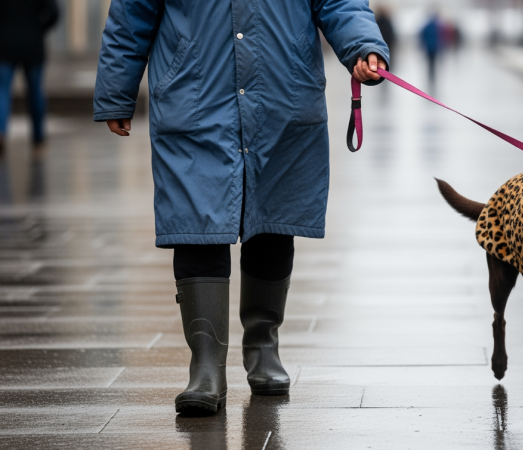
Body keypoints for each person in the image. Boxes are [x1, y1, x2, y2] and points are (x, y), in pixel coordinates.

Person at [94, 0, 389, 416]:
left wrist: (362, 46)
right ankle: (206, 366)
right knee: (197, 222)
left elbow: (339, 2)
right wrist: (116, 91)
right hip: (194, 94)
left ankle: (263, 346)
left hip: (282, 94)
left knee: (272, 219)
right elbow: (131, 13)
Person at [0, 0, 59, 154]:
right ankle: (38, 139)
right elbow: (54, 13)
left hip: (5, 44)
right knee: (35, 92)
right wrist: (38, 29)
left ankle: (1, 132)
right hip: (33, 44)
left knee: (2, 91)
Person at [420, 13, 442, 83]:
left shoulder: (426, 26)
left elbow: (422, 35)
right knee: (433, 61)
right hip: (435, 47)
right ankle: (433, 73)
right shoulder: (437, 26)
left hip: (428, 47)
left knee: (430, 61)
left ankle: (430, 72)